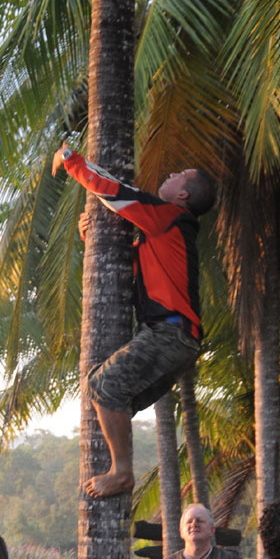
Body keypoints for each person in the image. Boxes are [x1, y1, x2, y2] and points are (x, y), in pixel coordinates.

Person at [52, 142, 215, 499]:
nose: (171, 174)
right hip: (177, 339)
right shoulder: (164, 231)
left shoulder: (168, 215)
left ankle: (122, 473)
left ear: (183, 195)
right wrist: (91, 233)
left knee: (104, 386)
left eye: (180, 175)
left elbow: (115, 192)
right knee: (115, 399)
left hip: (170, 334)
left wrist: (70, 160)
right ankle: (120, 468)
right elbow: (127, 263)